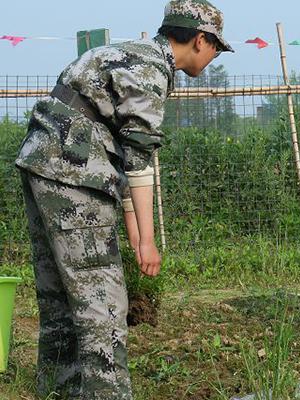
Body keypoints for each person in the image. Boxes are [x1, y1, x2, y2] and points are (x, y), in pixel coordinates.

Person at [14, 1, 233, 398]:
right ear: (200, 40)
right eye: (217, 47)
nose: (215, 56)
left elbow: (120, 151)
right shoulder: (150, 72)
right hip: (74, 174)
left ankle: (57, 393)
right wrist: (147, 240)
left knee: (60, 300)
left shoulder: (128, 55)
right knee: (104, 303)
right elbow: (138, 162)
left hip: (41, 165)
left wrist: (134, 232)